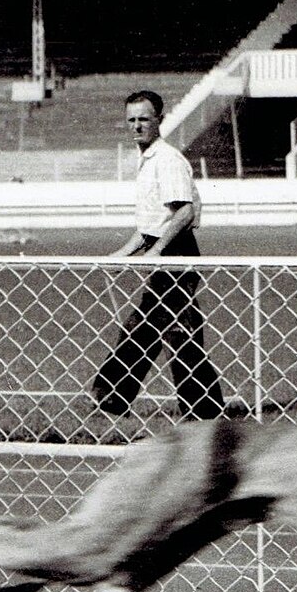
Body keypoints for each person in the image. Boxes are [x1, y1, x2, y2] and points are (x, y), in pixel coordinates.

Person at [93, 90, 241, 421]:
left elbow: (184, 213)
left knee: (166, 331)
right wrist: (124, 254)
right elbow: (150, 225)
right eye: (131, 120)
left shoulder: (168, 161)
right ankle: (118, 398)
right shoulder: (147, 162)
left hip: (177, 254)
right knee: (155, 328)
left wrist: (157, 252)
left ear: (160, 119)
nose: (136, 126)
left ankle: (118, 399)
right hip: (164, 253)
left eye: (144, 119)